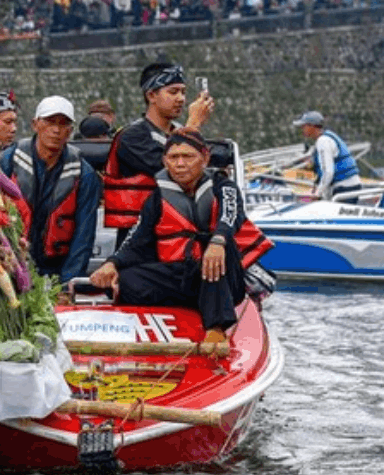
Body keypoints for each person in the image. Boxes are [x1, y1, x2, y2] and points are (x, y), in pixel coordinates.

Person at [89, 128, 273, 343]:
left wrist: (218, 240)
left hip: (221, 275)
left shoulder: (224, 187)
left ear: (204, 158)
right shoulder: (157, 198)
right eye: (174, 157)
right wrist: (112, 263)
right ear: (165, 161)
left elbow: (231, 215)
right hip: (181, 275)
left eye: (188, 156)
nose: (180, 164)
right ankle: (163, 319)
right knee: (127, 280)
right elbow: (136, 239)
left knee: (213, 256)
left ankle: (216, 327)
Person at [103, 63, 214, 244]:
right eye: (173, 92)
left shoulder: (179, 132)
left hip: (180, 235)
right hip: (140, 239)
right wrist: (194, 124)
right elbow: (179, 173)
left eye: (183, 92)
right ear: (151, 95)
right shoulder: (132, 136)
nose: (181, 99)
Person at [0, 95, 102, 283]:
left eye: (63, 124)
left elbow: (83, 234)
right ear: (35, 124)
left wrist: (68, 282)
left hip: (56, 268)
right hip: (11, 262)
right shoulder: (7, 161)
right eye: (49, 122)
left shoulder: (84, 174)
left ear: (70, 131)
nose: (56, 130)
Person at [292, 110, 362, 202]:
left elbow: (328, 172)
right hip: (350, 186)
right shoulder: (326, 138)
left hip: (345, 188)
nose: (302, 129)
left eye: (304, 126)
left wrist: (318, 193)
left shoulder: (323, 142)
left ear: (312, 126)